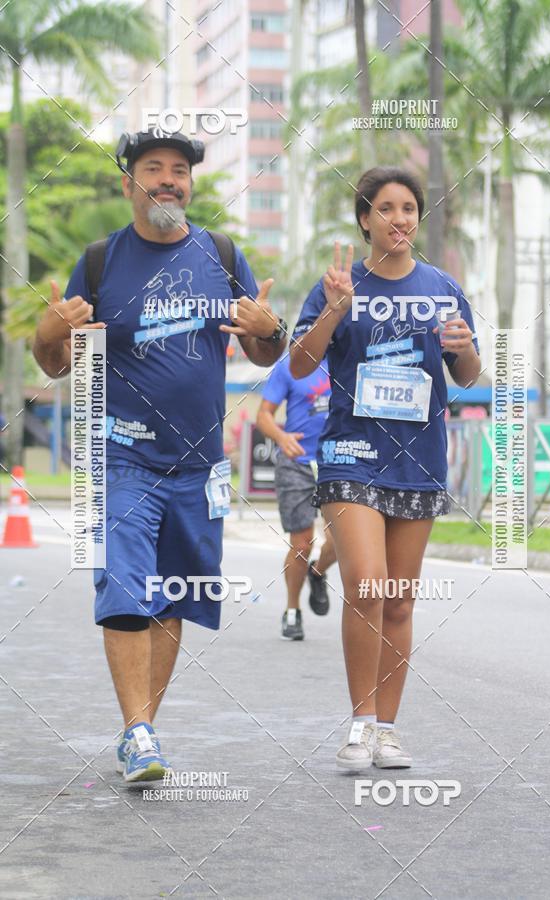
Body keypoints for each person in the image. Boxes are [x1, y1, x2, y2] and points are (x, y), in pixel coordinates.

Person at [33, 130, 287, 782]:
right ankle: (142, 733)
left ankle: (137, 731)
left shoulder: (222, 256)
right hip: (120, 455)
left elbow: (261, 349)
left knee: (173, 595)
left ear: (191, 184)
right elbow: (56, 362)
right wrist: (48, 334)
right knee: (125, 580)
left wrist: (271, 333)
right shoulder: (100, 263)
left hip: (199, 465)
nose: (169, 180)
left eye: (179, 170)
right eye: (155, 169)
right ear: (130, 184)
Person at [289, 166, 481, 771]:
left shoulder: (444, 288)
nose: (400, 219)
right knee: (367, 584)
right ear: (365, 218)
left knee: (398, 600)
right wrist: (335, 310)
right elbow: (297, 364)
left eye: (409, 209)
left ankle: (390, 730)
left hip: (419, 458)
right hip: (351, 453)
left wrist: (465, 348)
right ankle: (360, 722)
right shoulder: (338, 286)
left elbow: (469, 376)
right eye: (387, 208)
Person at [257, 355, 337, 640]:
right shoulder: (290, 365)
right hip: (296, 461)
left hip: (340, 460)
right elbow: (264, 415)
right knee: (302, 543)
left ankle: (318, 573)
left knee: (342, 540)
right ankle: (292, 610)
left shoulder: (349, 356)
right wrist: (281, 437)